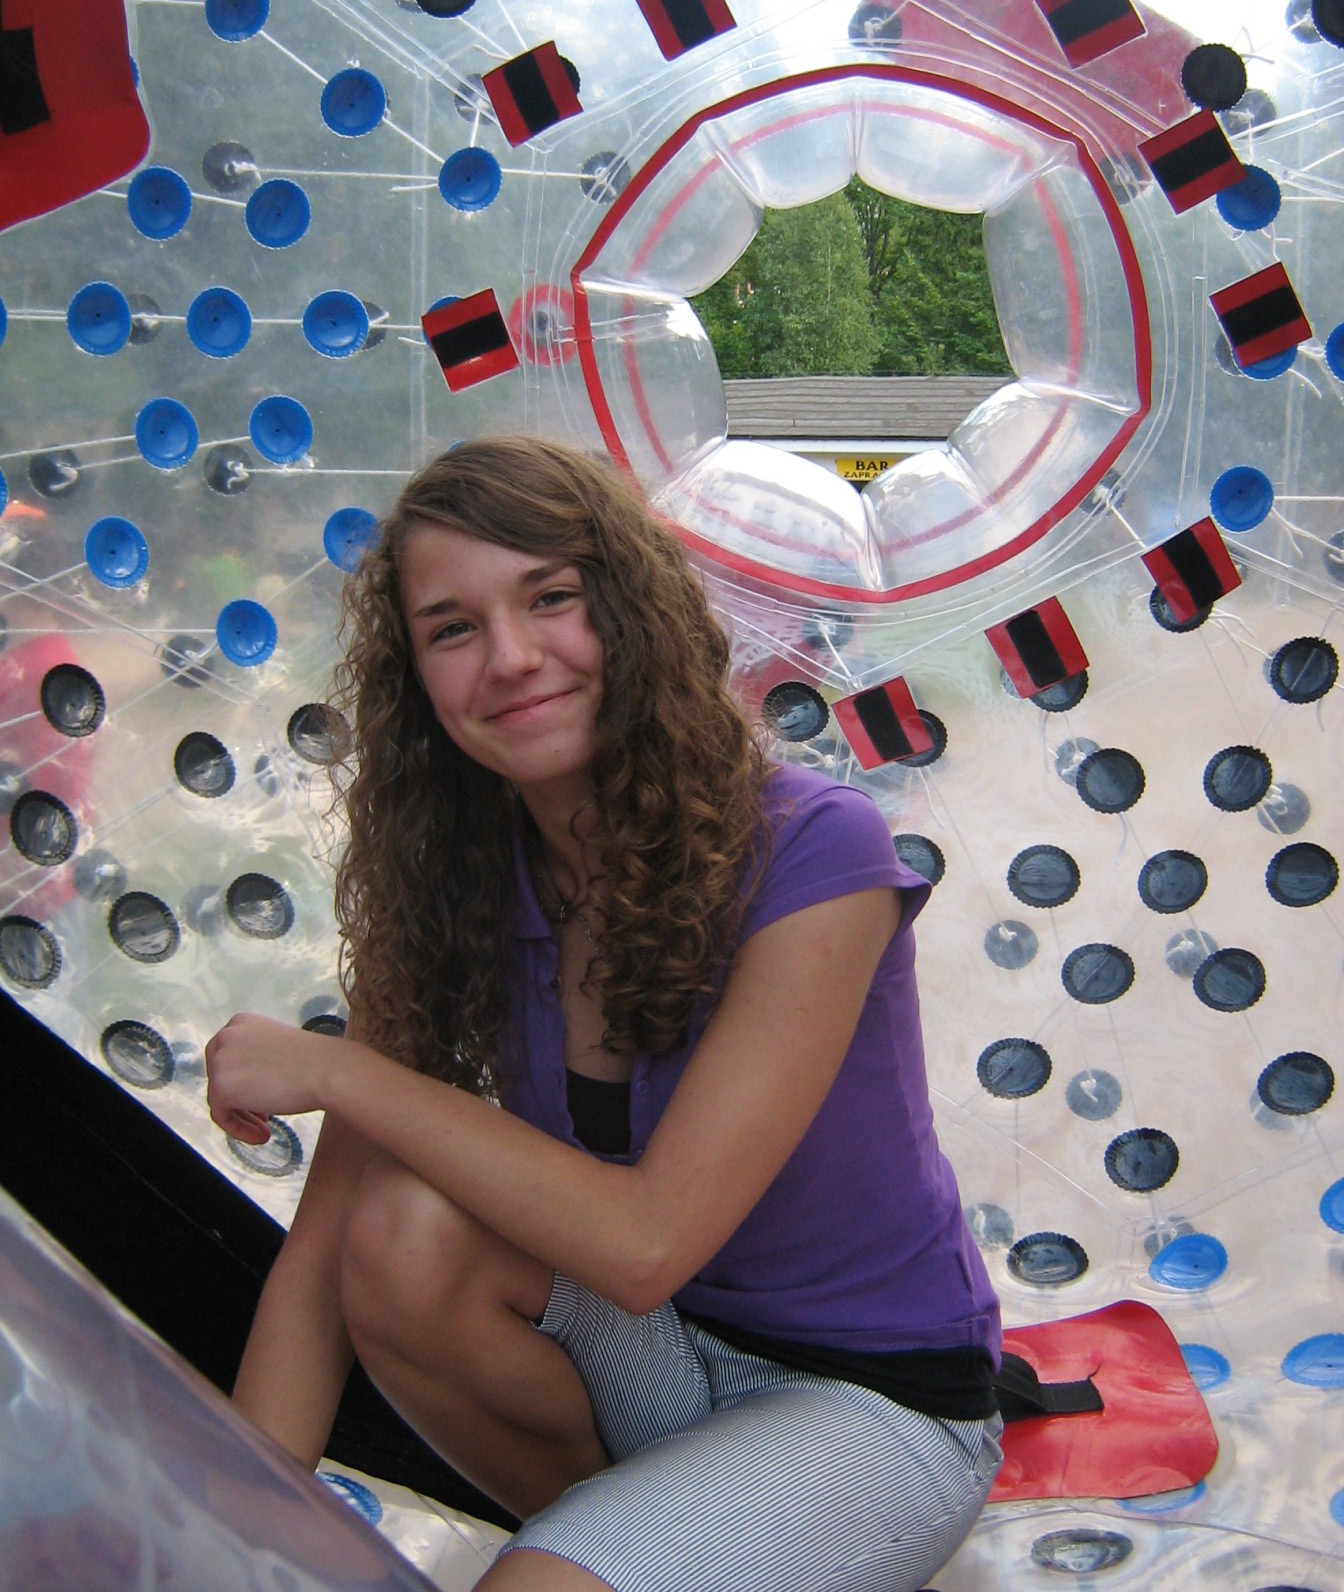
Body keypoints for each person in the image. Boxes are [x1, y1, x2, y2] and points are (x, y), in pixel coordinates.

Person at [205, 436, 1003, 1592]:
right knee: (397, 1229)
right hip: (657, 1364)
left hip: (871, 1398)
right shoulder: (456, 885)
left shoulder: (817, 848)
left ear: (632, 611)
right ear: (416, 680)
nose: (512, 657)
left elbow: (644, 1245)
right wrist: (220, 1537)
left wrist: (335, 1071)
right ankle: (649, 1541)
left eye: (552, 598)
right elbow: (324, 1250)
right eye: (453, 628)